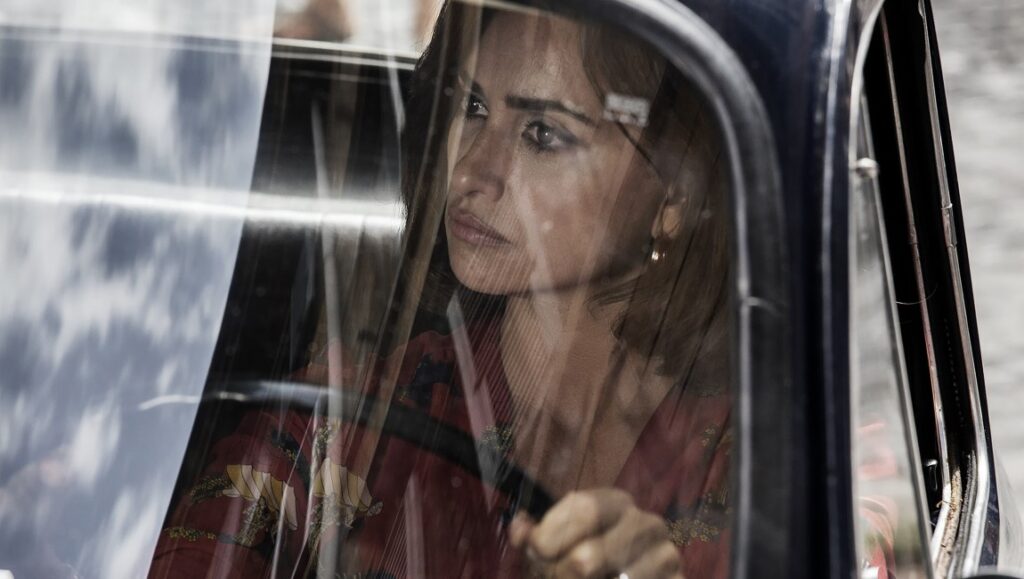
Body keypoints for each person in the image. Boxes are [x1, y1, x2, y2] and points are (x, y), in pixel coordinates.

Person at [150, 2, 732, 578]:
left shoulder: (752, 471)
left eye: (543, 133)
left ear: (674, 198)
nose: (468, 171)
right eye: (472, 106)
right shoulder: (349, 419)